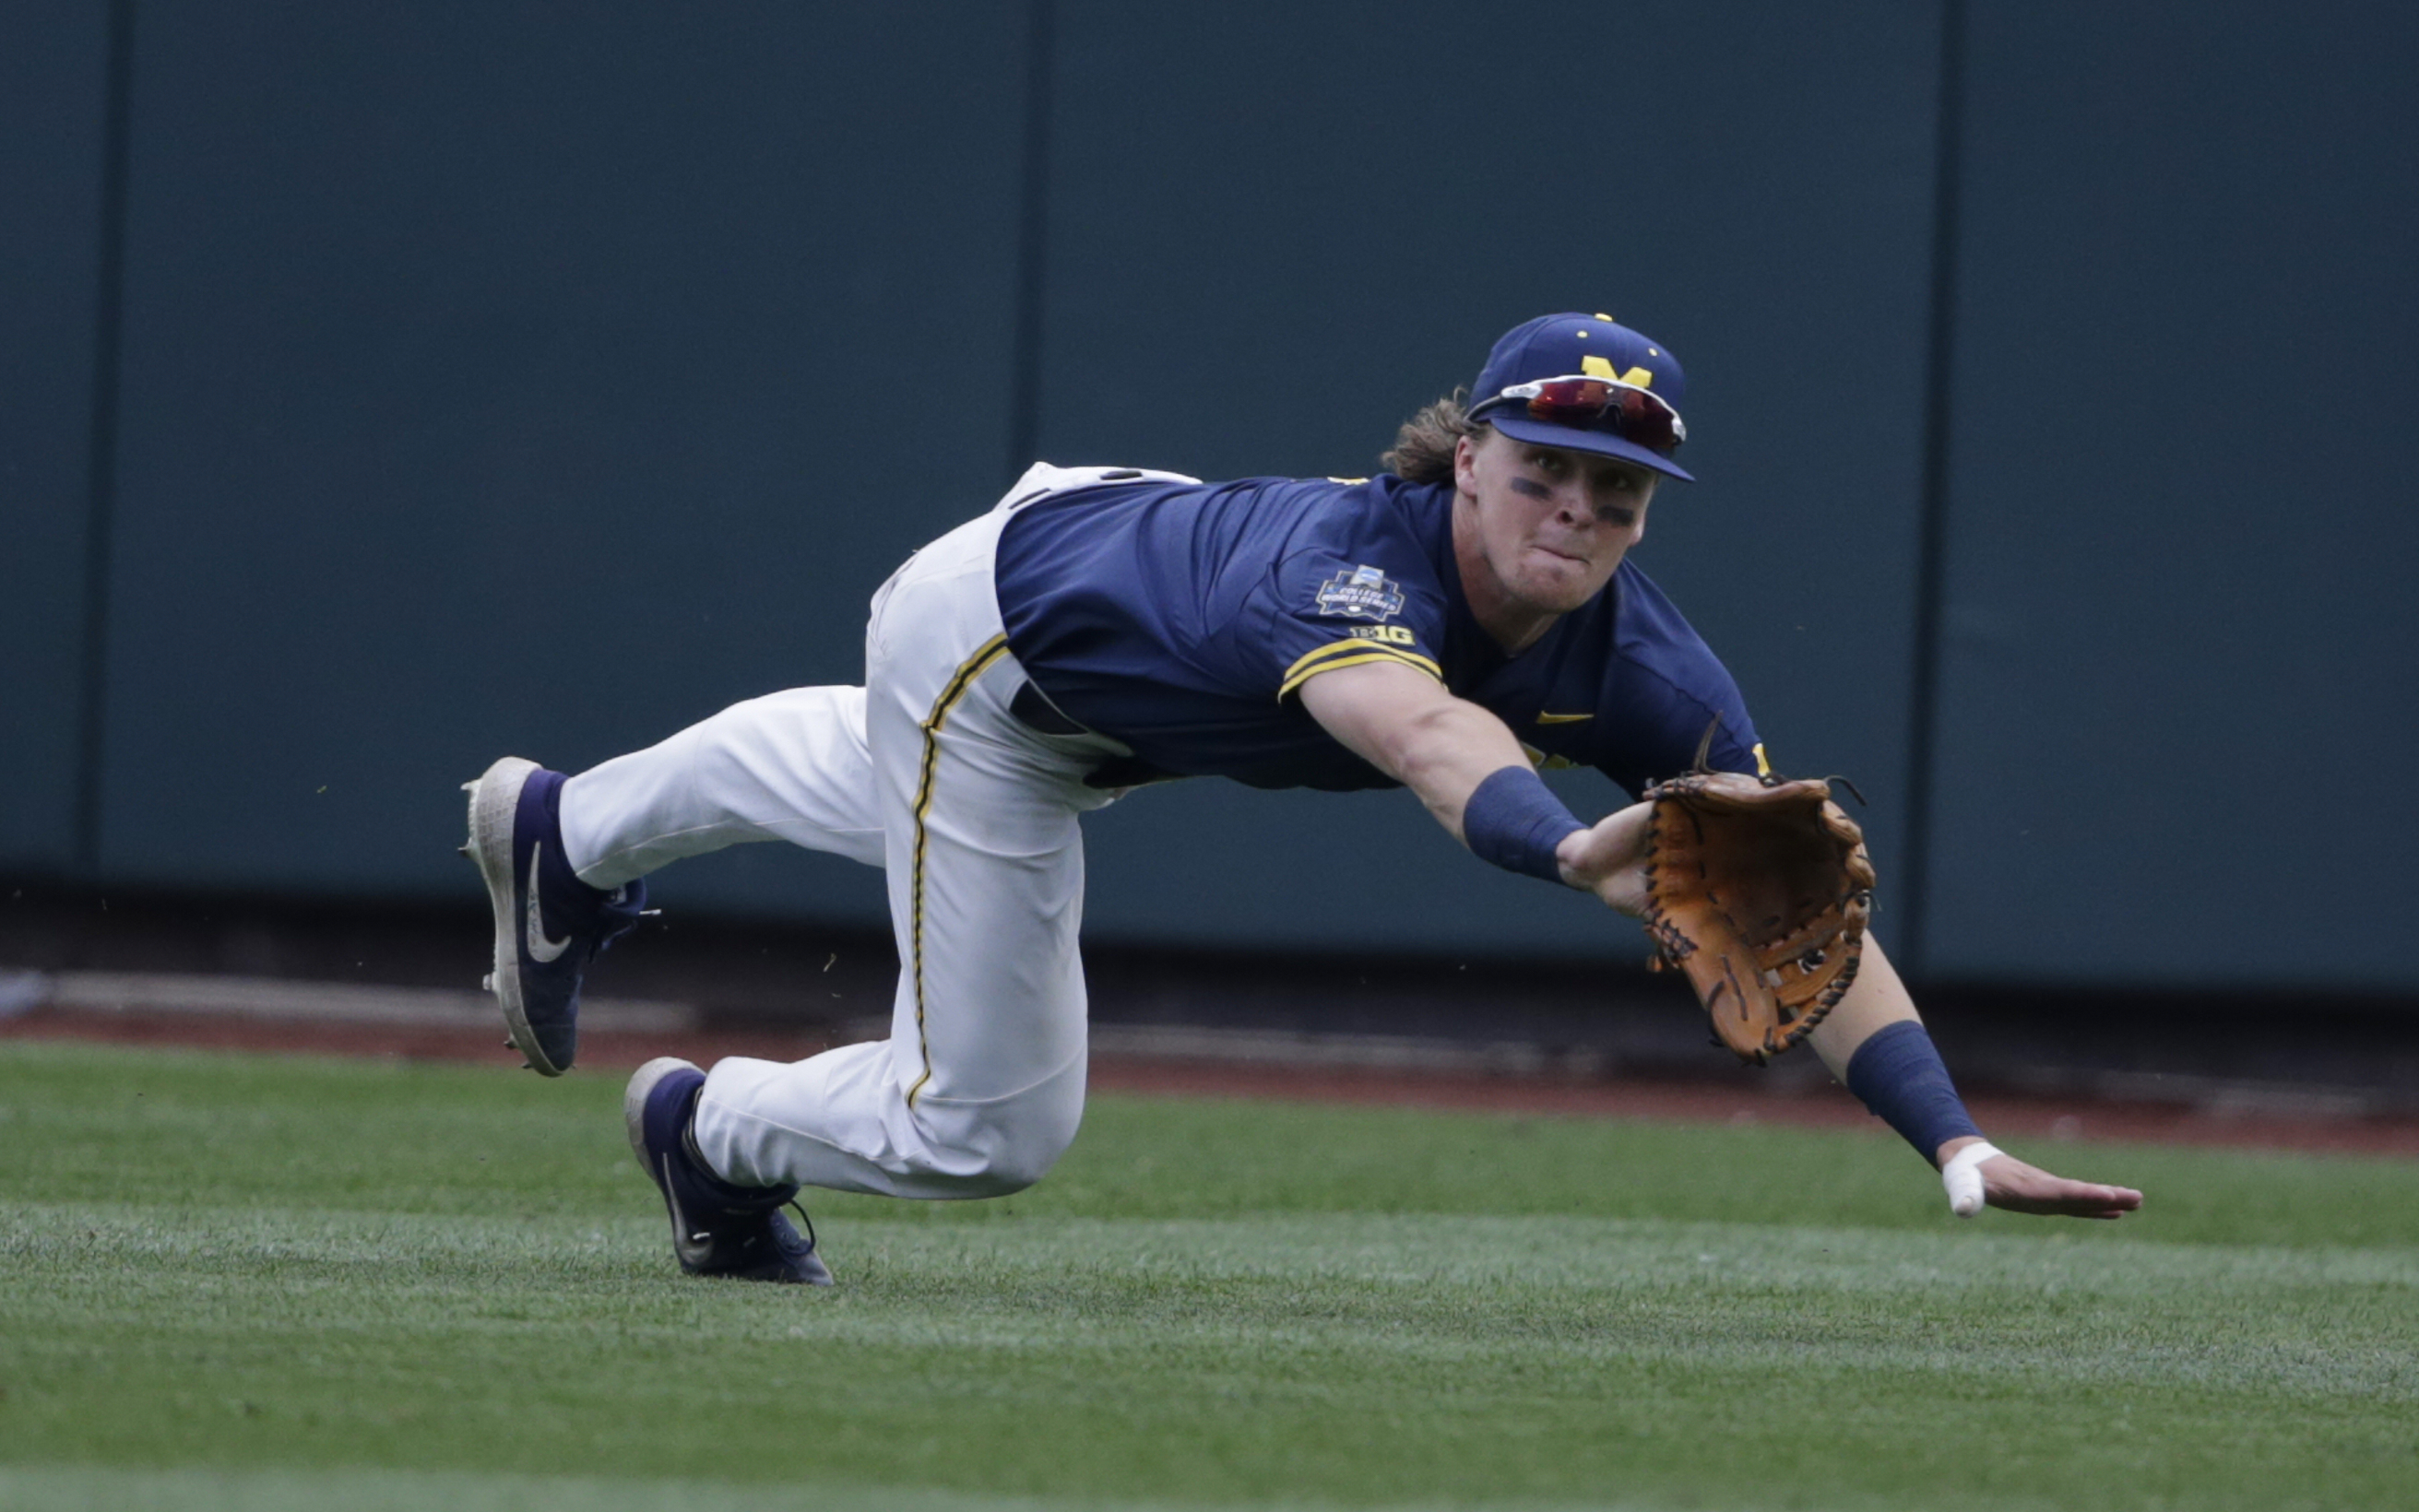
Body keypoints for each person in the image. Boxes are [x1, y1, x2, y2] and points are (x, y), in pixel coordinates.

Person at [465, 313, 2140, 1284]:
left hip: (1083, 583)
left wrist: (1954, 1136)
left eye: (1615, 485)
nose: (1574, 504)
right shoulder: (1355, 578)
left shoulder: (1654, 671)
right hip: (1003, 654)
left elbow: (1790, 911)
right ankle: (713, 1133)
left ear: (1648, 511)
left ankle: (567, 831)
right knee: (989, 1125)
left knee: (865, 764)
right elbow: (1422, 740)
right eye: (1541, 463)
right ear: (1463, 454)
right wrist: (1568, 845)